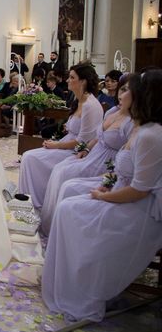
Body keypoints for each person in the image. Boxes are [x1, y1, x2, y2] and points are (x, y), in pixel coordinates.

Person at [42, 70, 162, 322]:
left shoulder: (152, 134)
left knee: (69, 209)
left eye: (133, 89)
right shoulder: (142, 127)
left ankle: (81, 283)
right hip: (121, 191)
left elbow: (140, 189)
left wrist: (103, 196)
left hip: (139, 211)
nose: (125, 93)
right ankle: (69, 276)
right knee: (68, 203)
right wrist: (108, 186)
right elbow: (123, 170)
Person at [40, 77, 134, 235]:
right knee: (60, 168)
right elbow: (98, 137)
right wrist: (84, 149)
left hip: (106, 160)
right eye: (122, 89)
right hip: (93, 153)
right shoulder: (112, 111)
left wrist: (111, 177)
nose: (121, 95)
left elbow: (126, 153)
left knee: (65, 177)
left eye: (126, 91)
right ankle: (50, 224)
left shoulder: (131, 121)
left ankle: (63, 230)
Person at [19, 62, 104, 212]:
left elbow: (82, 142)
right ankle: (29, 200)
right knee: (28, 157)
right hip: (67, 143)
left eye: (72, 77)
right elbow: (76, 129)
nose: (67, 80)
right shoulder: (78, 100)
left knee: (30, 157)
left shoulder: (91, 105)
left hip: (77, 152)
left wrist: (55, 145)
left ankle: (35, 203)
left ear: (83, 81)